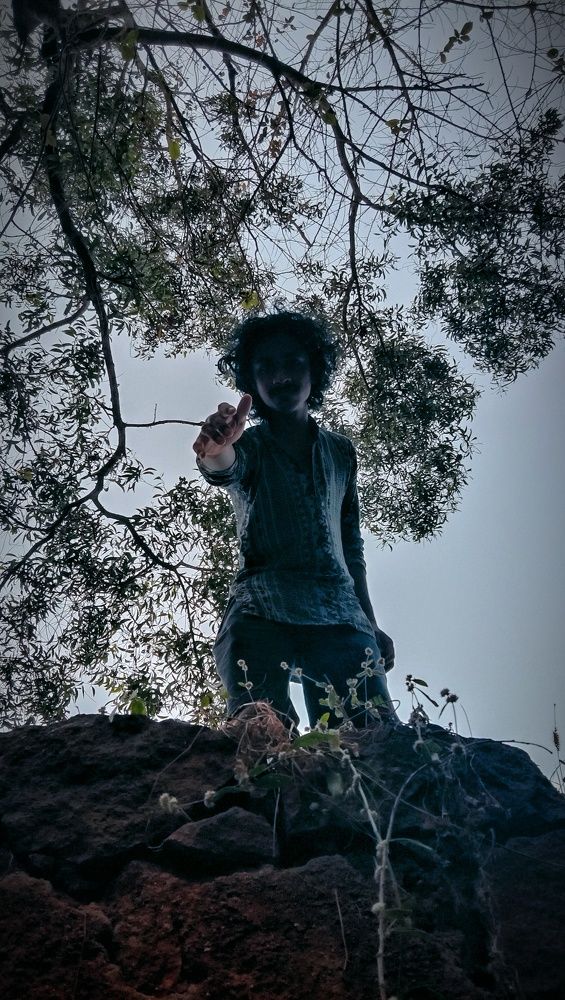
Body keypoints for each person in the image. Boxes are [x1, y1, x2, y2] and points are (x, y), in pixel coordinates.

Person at [193, 311, 397, 731]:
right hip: (261, 609)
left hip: (341, 617)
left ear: (314, 370)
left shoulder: (341, 452)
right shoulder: (248, 445)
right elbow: (226, 468)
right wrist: (215, 449)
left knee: (373, 737)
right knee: (260, 733)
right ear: (251, 383)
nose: (280, 375)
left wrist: (370, 624)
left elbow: (351, 547)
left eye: (292, 361)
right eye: (265, 366)